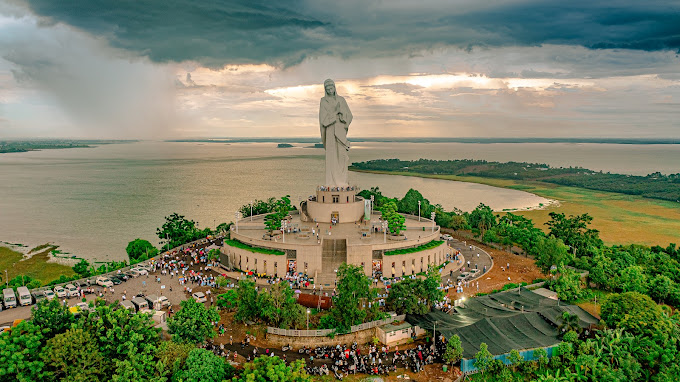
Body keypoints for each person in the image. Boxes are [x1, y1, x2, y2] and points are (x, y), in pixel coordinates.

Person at [319, 78, 353, 187]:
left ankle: (342, 182)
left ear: (335, 88)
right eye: (327, 89)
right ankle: (331, 183)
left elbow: (349, 115)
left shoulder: (341, 100)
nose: (330, 90)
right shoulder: (323, 101)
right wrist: (335, 113)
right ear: (325, 89)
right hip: (329, 132)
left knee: (342, 157)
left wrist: (343, 119)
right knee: (331, 158)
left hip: (340, 130)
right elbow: (323, 120)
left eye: (331, 88)